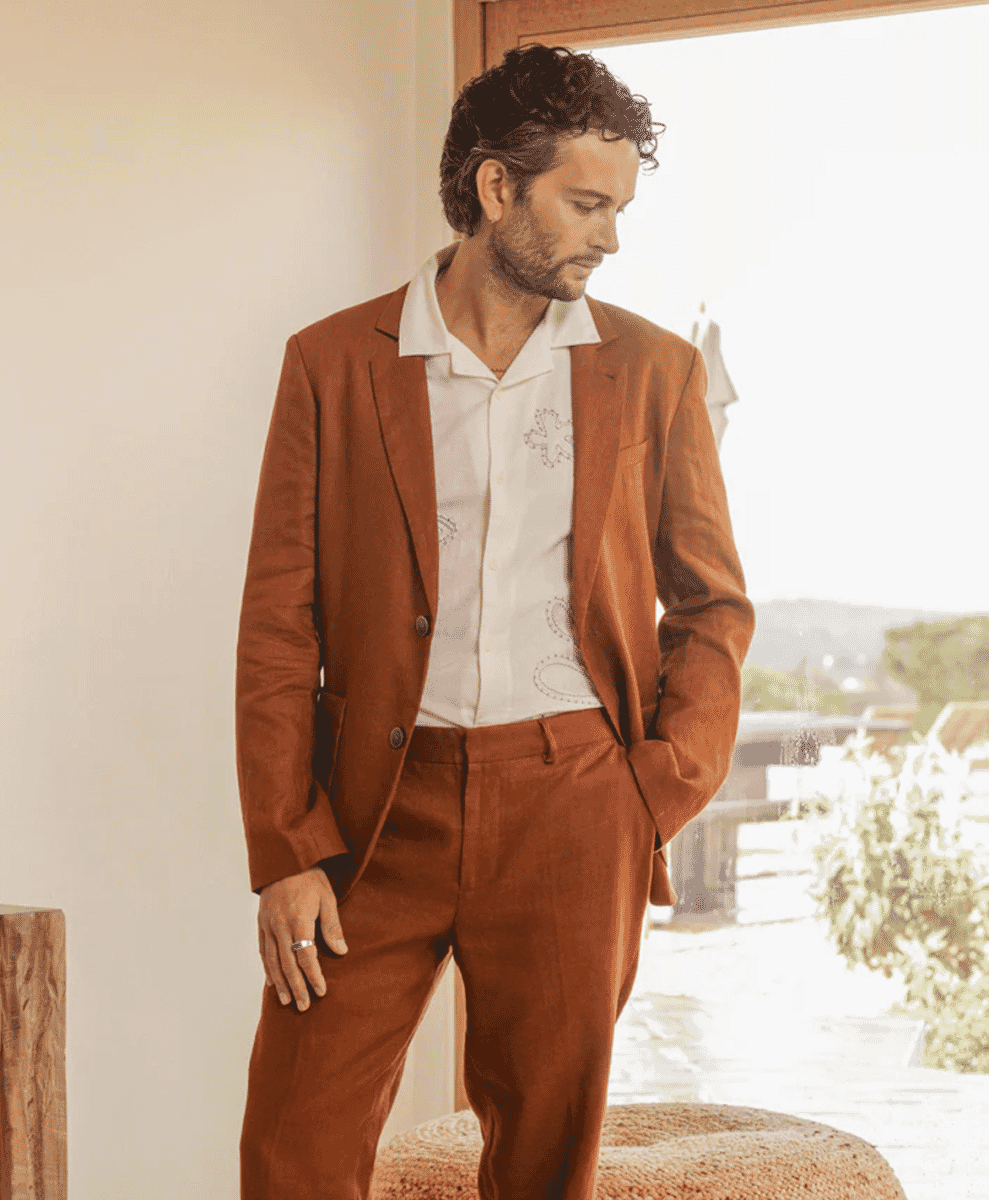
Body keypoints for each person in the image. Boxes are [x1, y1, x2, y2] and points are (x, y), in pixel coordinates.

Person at [235, 43, 755, 1200]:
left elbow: (711, 601)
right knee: (292, 1151)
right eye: (584, 202)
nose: (608, 236)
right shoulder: (331, 363)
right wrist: (285, 849)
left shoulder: (653, 371)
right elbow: (280, 622)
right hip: (375, 813)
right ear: (493, 188)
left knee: (541, 1160)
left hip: (574, 801)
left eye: (618, 207)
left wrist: (653, 789)